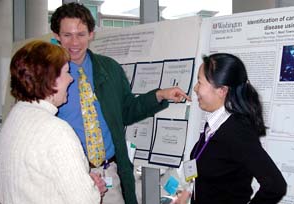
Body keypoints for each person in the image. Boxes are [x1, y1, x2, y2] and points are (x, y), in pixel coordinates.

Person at [50, 3, 191, 204]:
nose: (74, 42)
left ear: (91, 34)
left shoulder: (109, 69)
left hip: (109, 174)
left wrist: (159, 95)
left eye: (81, 34)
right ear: (56, 35)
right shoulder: (47, 75)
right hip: (68, 176)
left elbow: (126, 112)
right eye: (67, 35)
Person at [0, 40, 107, 204]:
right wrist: (93, 191)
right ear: (49, 79)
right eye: (66, 72)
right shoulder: (56, 131)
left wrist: (84, 184)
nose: (71, 79)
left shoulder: (14, 119)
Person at [189, 53, 287, 204]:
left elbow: (275, 186)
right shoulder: (214, 125)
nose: (195, 88)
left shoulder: (237, 132)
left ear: (221, 90)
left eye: (199, 82)